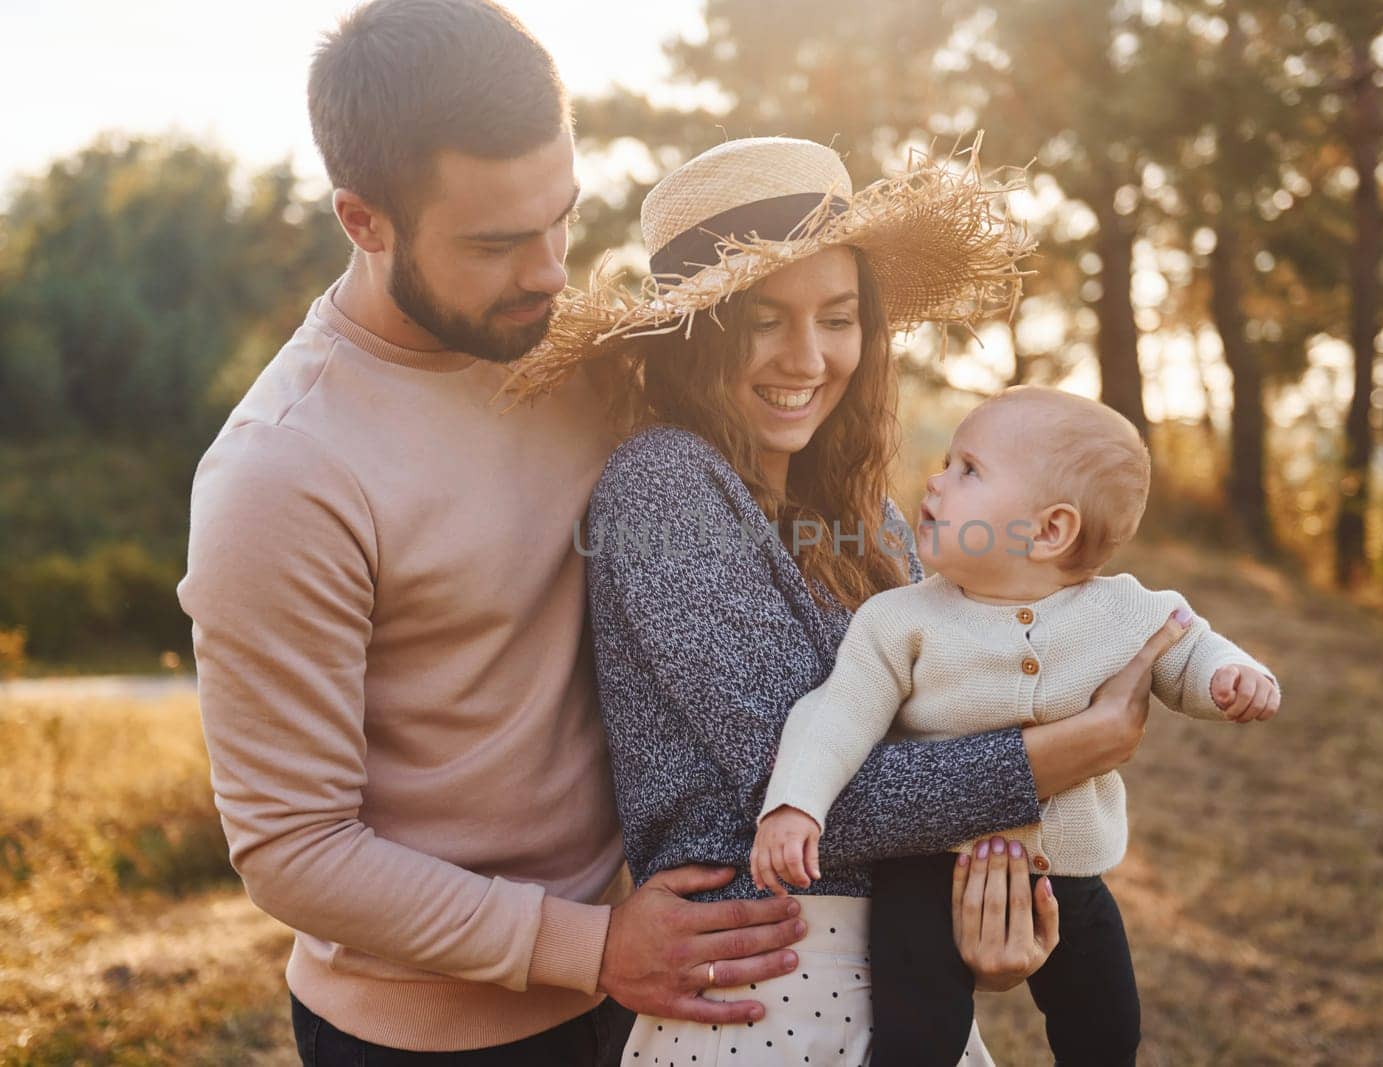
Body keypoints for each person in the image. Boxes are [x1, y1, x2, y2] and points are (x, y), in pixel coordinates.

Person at [178, 3, 812, 1063]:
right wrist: (591, 943)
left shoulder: (579, 353)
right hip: (430, 1038)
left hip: (649, 978)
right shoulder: (282, 473)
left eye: (561, 216)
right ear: (362, 219)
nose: (551, 271)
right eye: (497, 242)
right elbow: (293, 850)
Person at [503, 135, 1195, 1065]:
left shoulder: (873, 515)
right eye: (763, 321)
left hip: (910, 975)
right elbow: (793, 796)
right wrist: (1070, 750)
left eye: (837, 317)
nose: (808, 356)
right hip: (761, 990)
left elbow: (935, 738)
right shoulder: (661, 485)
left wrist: (992, 910)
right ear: (698, 331)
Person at [753, 386, 1282, 1065]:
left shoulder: (1122, 609)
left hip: (1070, 872)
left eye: (968, 469)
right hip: (924, 873)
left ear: (1049, 530)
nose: (937, 478)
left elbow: (1188, 649)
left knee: (1107, 1030)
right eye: (947, 461)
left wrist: (1229, 677)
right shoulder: (900, 620)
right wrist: (797, 802)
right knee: (918, 1038)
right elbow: (835, 711)